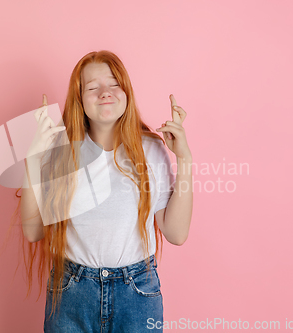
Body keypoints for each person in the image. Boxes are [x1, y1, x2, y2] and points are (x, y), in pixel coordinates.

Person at [10, 50, 193, 332]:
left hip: (136, 294)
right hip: (71, 294)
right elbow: (34, 232)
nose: (105, 92)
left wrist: (184, 159)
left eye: (114, 83)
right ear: (79, 100)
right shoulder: (59, 151)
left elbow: (176, 233)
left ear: (127, 93)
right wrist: (34, 160)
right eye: (93, 87)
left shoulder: (152, 150)